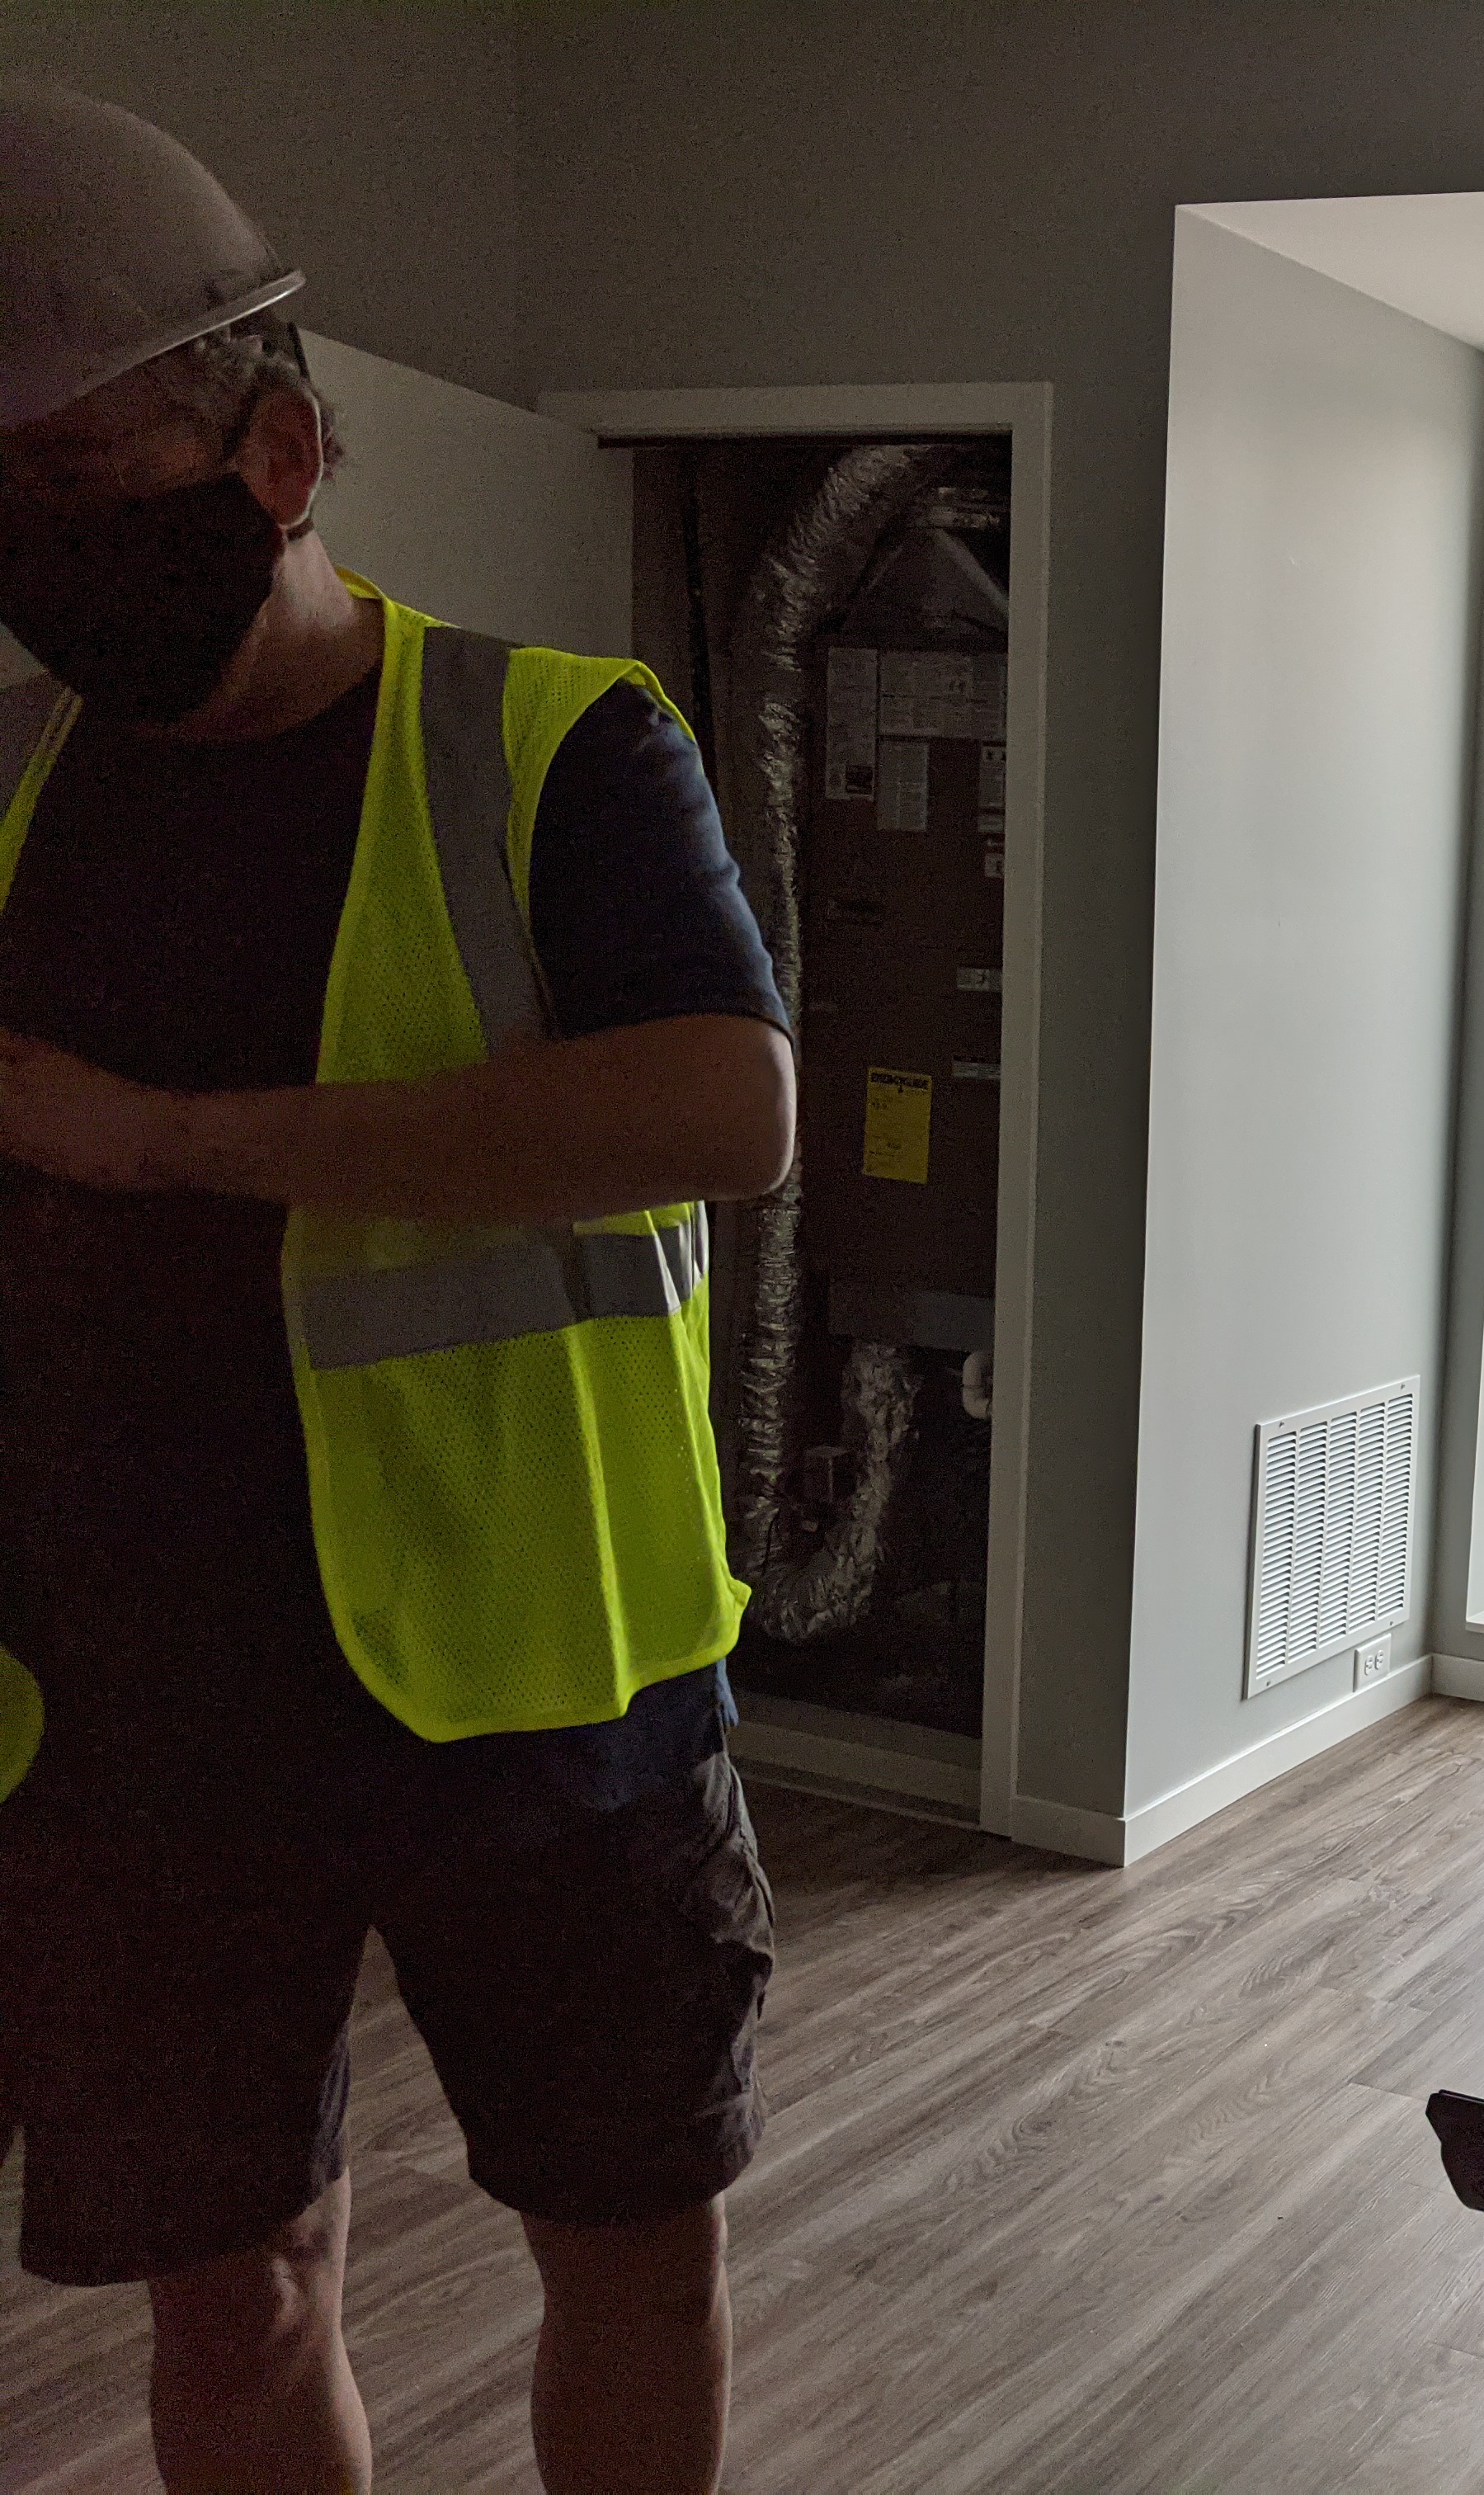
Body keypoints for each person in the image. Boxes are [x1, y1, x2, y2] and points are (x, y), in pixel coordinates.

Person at [0, 89, 791, 2495]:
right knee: (235, 2288)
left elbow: (720, 1112)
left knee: (627, 2256)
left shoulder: (554, 748)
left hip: (550, 1697)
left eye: (82, 477)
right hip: (133, 1730)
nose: (42, 549)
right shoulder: (12, 795)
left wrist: (178, 1148)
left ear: (283, 448)